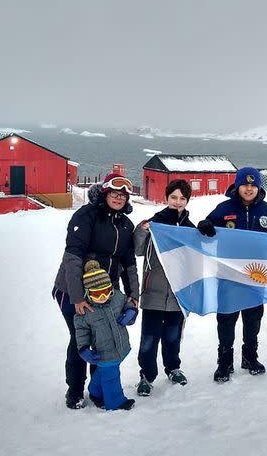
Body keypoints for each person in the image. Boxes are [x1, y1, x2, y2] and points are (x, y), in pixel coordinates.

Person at [52, 172, 140, 409]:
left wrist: (133, 297)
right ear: (104, 193)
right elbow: (72, 259)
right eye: (114, 193)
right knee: (80, 339)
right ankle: (75, 390)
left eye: (123, 195)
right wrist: (78, 298)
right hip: (72, 291)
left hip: (105, 294)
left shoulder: (125, 225)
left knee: (103, 340)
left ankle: (98, 391)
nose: (118, 198)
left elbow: (129, 264)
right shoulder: (86, 216)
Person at [197, 167, 267, 382]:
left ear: (258, 187)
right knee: (227, 319)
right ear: (237, 186)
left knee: (253, 319)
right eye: (245, 185)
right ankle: (224, 363)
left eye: (253, 185)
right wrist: (204, 225)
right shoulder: (223, 208)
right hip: (228, 276)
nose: (249, 188)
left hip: (257, 276)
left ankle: (250, 357)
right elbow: (204, 232)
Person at [133, 179, 195, 396]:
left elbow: (197, 259)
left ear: (187, 200)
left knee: (172, 337)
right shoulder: (154, 224)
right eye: (174, 197)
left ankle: (173, 368)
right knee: (149, 338)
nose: (177, 202)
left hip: (178, 296)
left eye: (182, 198)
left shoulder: (189, 229)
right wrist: (142, 230)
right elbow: (138, 250)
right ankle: (146, 376)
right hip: (154, 295)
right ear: (167, 198)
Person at [75, 260, 137, 411]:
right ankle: (115, 402)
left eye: (106, 290)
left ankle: (95, 390)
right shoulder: (85, 311)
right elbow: (81, 330)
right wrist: (83, 349)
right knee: (111, 376)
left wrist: (131, 311)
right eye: (97, 293)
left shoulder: (117, 297)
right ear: (88, 292)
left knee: (105, 370)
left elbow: (128, 303)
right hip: (103, 350)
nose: (103, 296)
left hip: (120, 345)